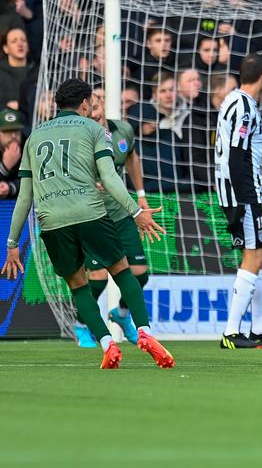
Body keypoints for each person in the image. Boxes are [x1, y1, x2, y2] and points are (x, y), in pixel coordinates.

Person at [1, 78, 172, 369]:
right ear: (84, 105)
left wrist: (12, 243)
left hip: (52, 221)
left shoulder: (33, 137)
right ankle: (144, 331)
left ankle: (107, 343)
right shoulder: (94, 128)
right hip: (91, 213)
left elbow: (24, 198)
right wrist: (135, 211)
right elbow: (109, 177)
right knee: (121, 270)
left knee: (78, 286)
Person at [214, 54, 262, 349]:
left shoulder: (234, 100)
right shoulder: (244, 106)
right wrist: (244, 199)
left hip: (245, 190)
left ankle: (259, 327)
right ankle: (231, 332)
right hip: (241, 192)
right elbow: (236, 154)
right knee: (253, 256)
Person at [72, 86, 150, 348]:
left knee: (140, 273)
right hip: (93, 215)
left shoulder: (122, 131)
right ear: (85, 104)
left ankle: (122, 313)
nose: (98, 104)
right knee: (98, 278)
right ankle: (83, 324)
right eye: (94, 99)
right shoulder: (79, 136)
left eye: (103, 98)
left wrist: (140, 194)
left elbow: (131, 159)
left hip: (121, 211)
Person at [0, 108, 22, 199]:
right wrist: (4, 167)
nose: (13, 135)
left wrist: (10, 187)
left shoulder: (27, 144)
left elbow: (34, 179)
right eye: (7, 131)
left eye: (16, 130)